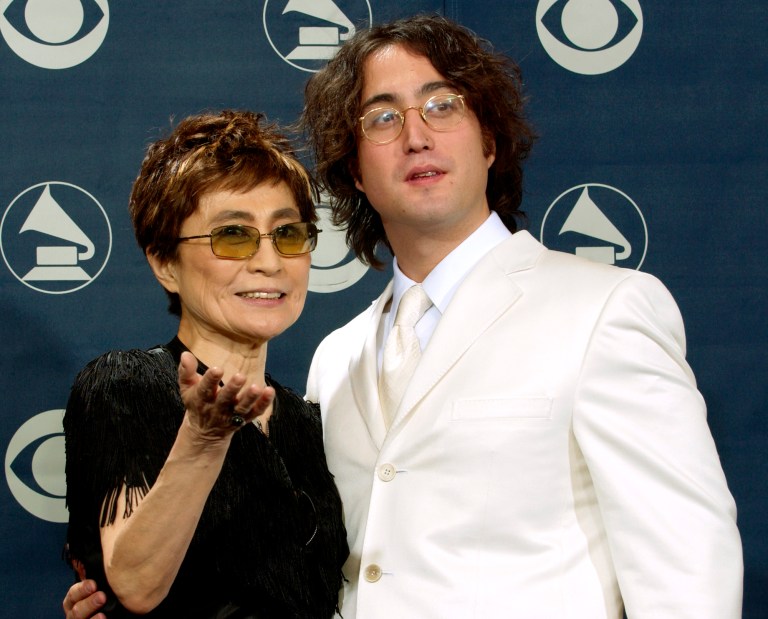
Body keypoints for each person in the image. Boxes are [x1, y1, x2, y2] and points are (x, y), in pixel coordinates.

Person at [65, 14, 743, 619]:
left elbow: (687, 566)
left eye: (443, 106)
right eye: (383, 117)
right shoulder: (338, 356)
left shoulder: (605, 309)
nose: (416, 135)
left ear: (489, 142)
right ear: (354, 169)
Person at [62, 109, 348, 618]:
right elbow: (135, 584)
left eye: (288, 234)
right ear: (165, 263)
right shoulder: (125, 385)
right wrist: (202, 440)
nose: (269, 262)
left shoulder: (309, 423)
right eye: (233, 235)